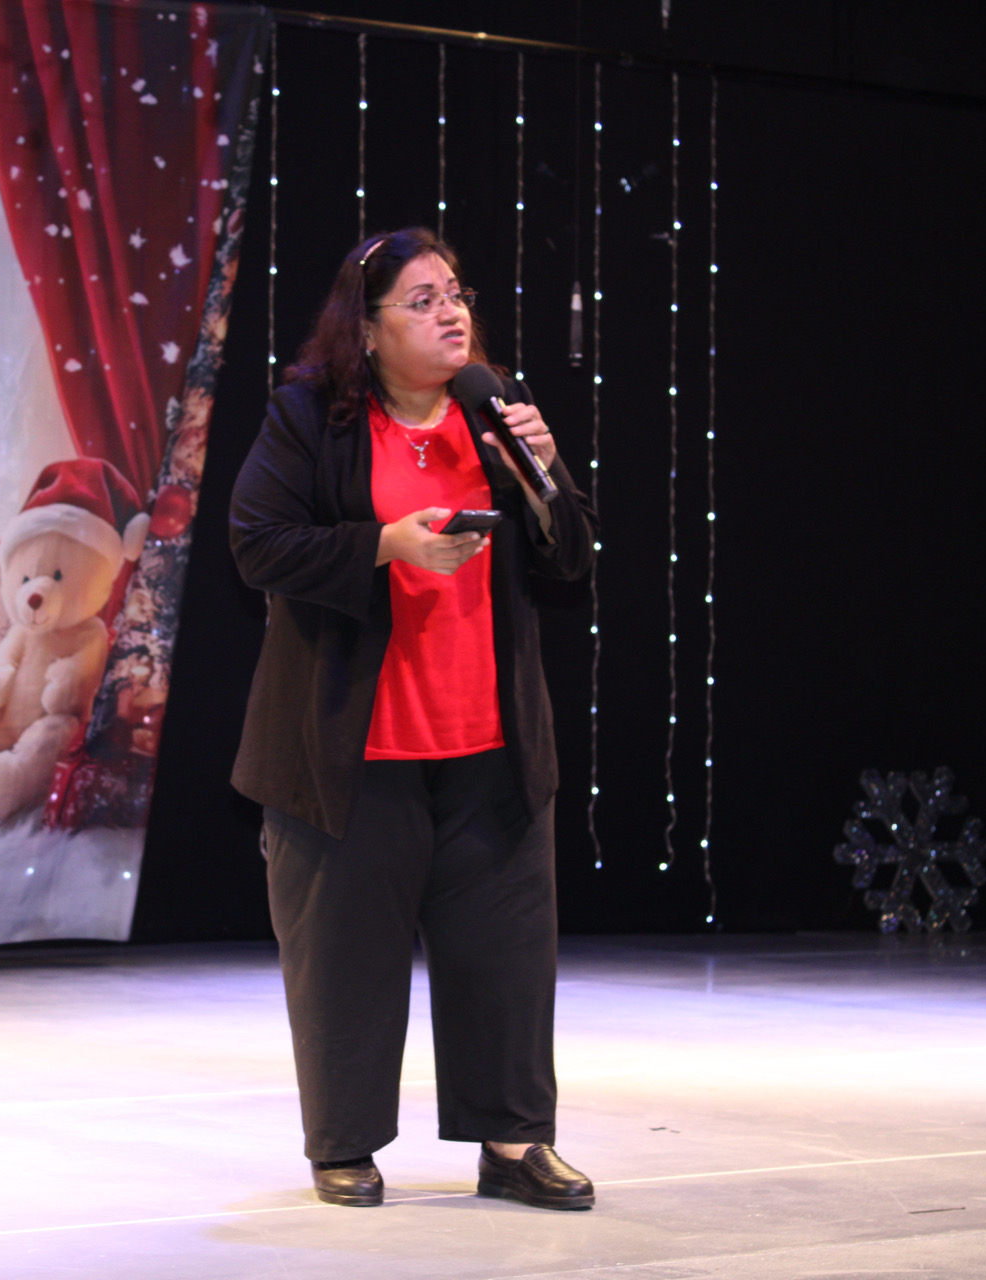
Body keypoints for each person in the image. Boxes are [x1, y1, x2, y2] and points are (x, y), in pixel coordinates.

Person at [229, 227, 598, 1210]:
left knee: (505, 956)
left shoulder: (493, 409)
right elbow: (257, 544)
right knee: (346, 961)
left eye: (456, 293)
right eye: (423, 299)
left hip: (489, 742)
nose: (451, 313)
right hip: (351, 749)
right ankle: (344, 1144)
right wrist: (385, 545)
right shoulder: (311, 418)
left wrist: (545, 474)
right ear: (368, 327)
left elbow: (571, 559)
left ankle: (513, 1142)